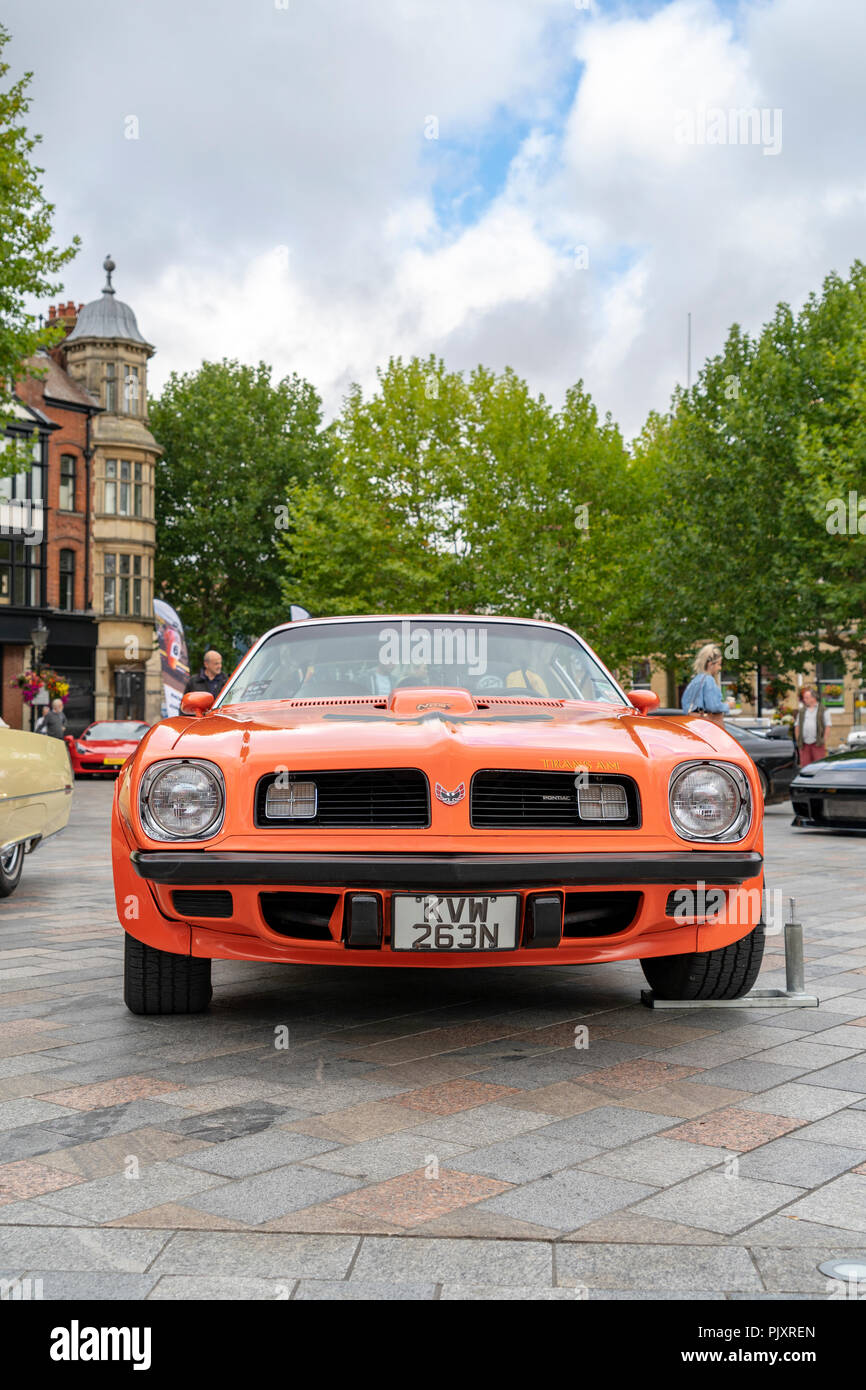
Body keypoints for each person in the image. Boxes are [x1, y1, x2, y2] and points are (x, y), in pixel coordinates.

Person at [680, 643, 727, 724]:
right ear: (710, 664)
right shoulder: (709, 680)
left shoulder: (695, 680)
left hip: (693, 723)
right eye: (719, 664)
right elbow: (713, 706)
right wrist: (728, 706)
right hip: (707, 725)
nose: (720, 668)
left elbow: (686, 705)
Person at [796, 685, 831, 765]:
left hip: (817, 743)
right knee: (805, 767)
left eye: (806, 698)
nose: (804, 700)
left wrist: (823, 740)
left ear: (813, 698)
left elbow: (828, 726)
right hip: (804, 744)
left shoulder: (823, 710)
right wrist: (799, 740)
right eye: (804, 698)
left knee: (819, 766)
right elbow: (797, 726)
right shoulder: (802, 711)